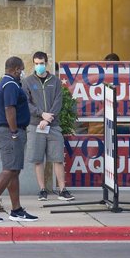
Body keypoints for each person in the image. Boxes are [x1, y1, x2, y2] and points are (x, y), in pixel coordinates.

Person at [0, 56, 38, 223]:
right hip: (10, 131)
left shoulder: (7, 82)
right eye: (22, 69)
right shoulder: (10, 84)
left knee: (14, 170)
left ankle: (16, 210)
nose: (23, 73)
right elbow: (9, 109)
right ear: (16, 69)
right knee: (10, 169)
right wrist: (13, 132)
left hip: (10, 131)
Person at [22, 51, 75, 202]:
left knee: (58, 158)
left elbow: (58, 102)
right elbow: (26, 103)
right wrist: (40, 114)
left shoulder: (55, 81)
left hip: (53, 125)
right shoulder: (27, 82)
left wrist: (48, 119)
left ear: (46, 63)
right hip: (35, 125)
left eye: (42, 63)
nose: (39, 66)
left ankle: (62, 190)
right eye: (37, 63)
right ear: (34, 64)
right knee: (38, 160)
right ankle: (42, 190)